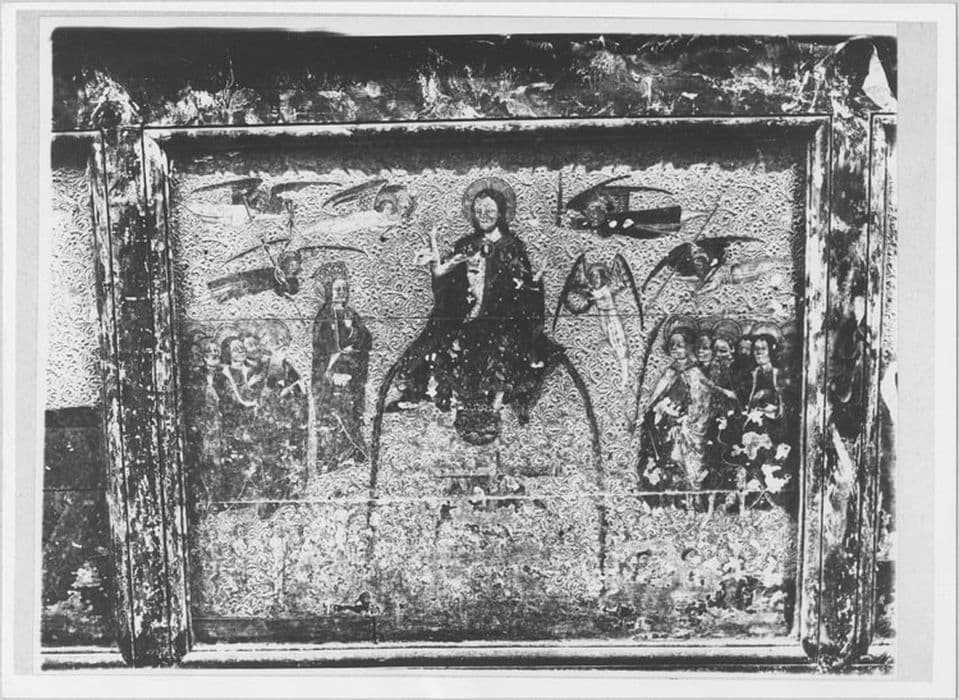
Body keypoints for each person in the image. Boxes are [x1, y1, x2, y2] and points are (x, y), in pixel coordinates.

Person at [388, 177, 556, 445]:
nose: (483, 215)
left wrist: (528, 287)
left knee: (510, 356)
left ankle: (504, 403)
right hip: (467, 316)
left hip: (502, 321)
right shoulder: (467, 244)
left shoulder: (512, 247)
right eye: (478, 211)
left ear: (501, 212)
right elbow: (447, 285)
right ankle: (422, 392)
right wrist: (438, 270)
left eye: (489, 210)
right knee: (436, 344)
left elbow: (527, 288)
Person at [636, 320, 713, 494]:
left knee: (687, 471)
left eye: (680, 344)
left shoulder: (695, 373)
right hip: (664, 427)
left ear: (690, 346)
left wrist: (684, 421)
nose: (675, 348)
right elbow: (654, 400)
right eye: (672, 345)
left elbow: (701, 405)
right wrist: (657, 410)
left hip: (687, 430)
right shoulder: (669, 372)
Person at [312, 264, 372, 467]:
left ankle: (353, 453)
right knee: (335, 411)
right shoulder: (324, 315)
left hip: (351, 370)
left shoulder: (351, 314)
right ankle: (332, 458)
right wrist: (335, 361)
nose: (341, 292)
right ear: (329, 291)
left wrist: (353, 333)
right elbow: (321, 345)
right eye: (337, 289)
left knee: (351, 409)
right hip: (331, 371)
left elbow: (366, 339)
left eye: (345, 288)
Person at [256, 320, 308, 511]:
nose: (281, 348)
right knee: (274, 463)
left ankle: (294, 497)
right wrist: (286, 391)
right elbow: (265, 396)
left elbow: (300, 392)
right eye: (277, 344)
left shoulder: (289, 368)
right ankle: (273, 500)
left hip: (291, 422)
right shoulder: (265, 368)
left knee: (293, 460)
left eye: (283, 344)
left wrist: (297, 390)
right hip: (273, 425)